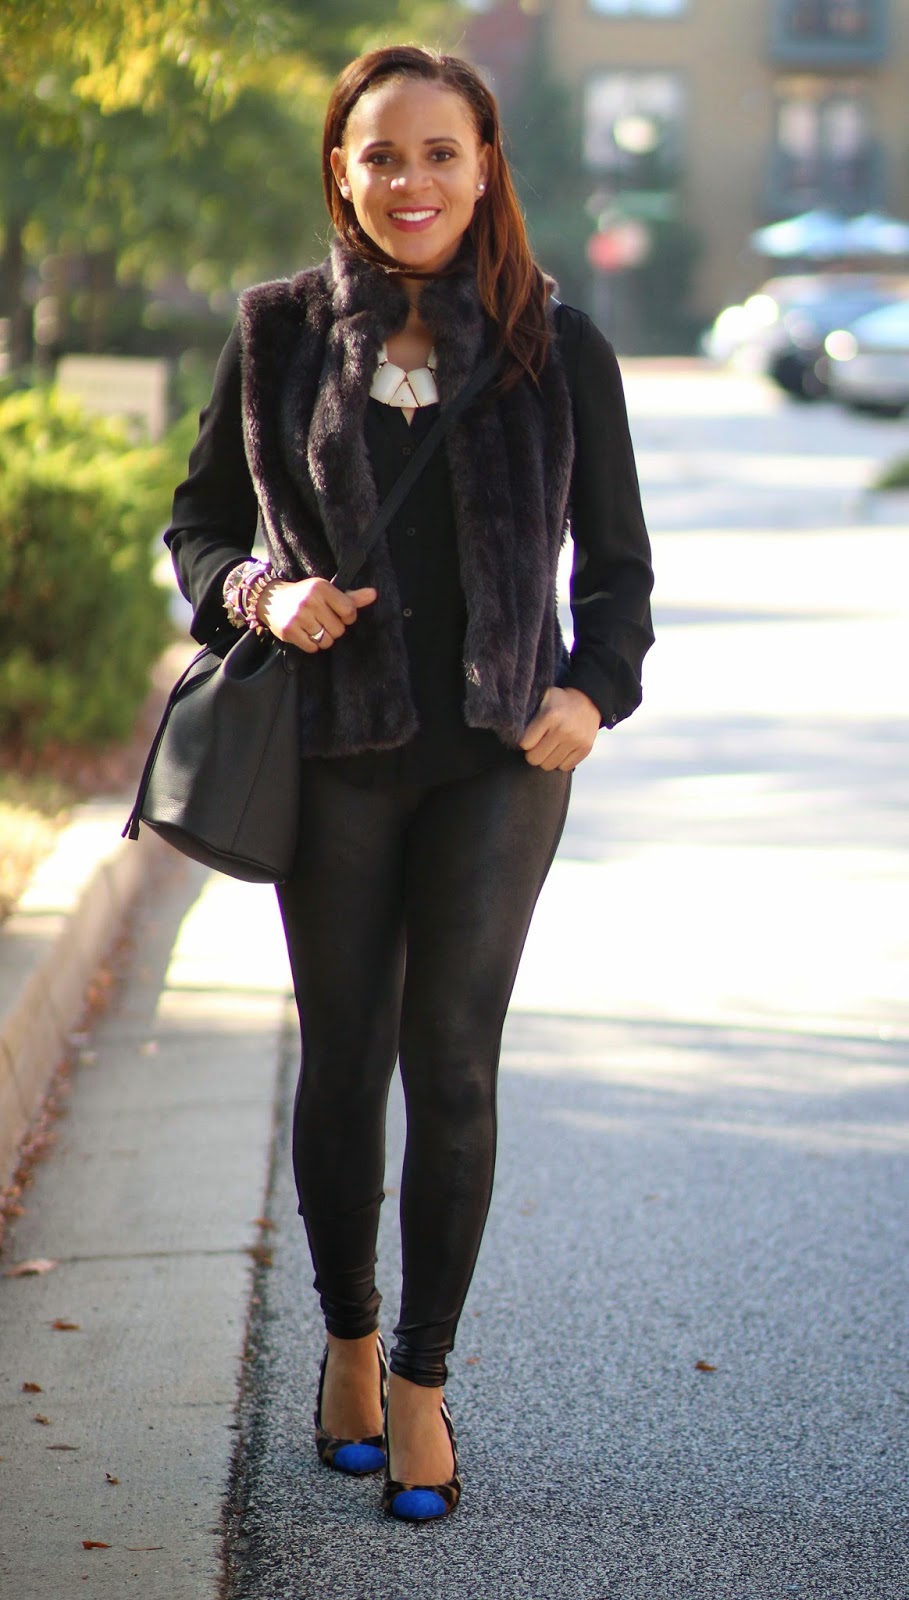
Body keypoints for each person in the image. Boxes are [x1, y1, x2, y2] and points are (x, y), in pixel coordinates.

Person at [164, 43, 654, 1523]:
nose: (412, 181)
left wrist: (591, 691)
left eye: (441, 153)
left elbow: (618, 570)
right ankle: (347, 1342)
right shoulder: (275, 334)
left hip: (500, 757)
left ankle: (425, 1378)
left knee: (450, 1062)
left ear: (484, 166)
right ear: (342, 170)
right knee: (345, 1055)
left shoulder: (559, 344)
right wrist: (264, 595)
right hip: (336, 752)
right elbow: (197, 529)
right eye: (383, 155)